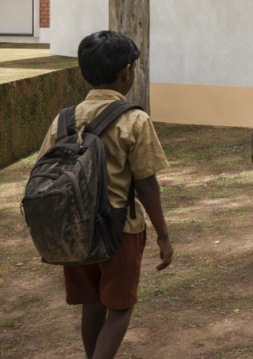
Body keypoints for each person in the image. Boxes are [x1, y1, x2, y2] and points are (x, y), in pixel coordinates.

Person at [35, 31, 173, 359]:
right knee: (121, 307)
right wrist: (163, 235)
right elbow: (146, 184)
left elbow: (42, 169)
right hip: (120, 230)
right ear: (126, 71)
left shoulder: (63, 118)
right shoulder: (134, 118)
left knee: (93, 303)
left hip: (73, 229)